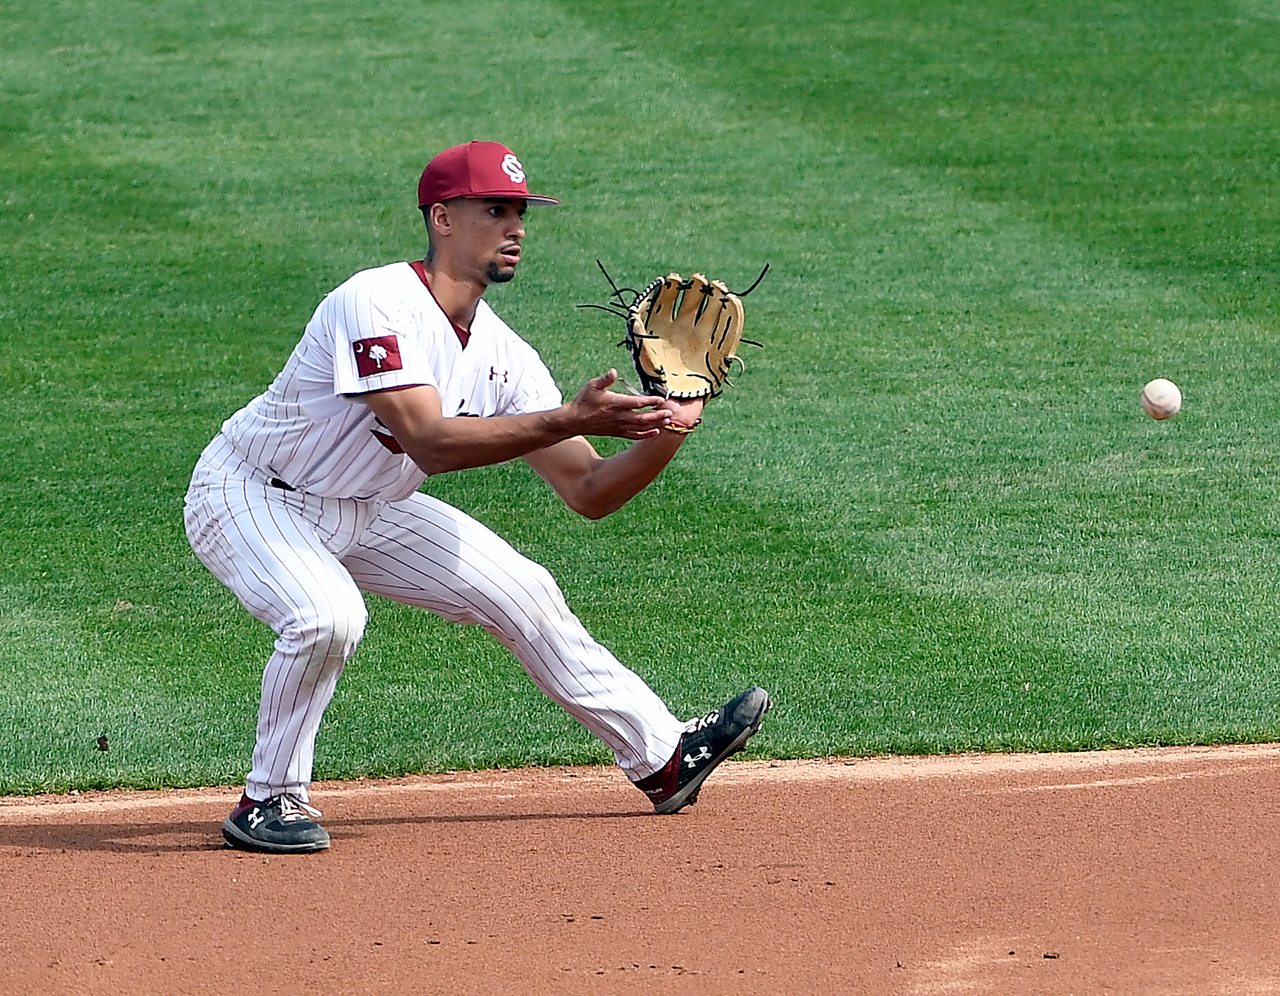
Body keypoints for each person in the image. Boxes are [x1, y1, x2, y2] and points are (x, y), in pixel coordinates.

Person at [184, 140, 771, 854]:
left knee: (522, 590)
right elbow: (429, 440)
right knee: (325, 616)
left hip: (368, 507)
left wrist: (673, 421)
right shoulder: (375, 303)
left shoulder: (502, 353)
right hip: (253, 494)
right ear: (442, 218)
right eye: (495, 210)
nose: (515, 227)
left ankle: (663, 758)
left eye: (520, 212)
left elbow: (588, 488)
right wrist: (571, 416)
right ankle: (270, 798)